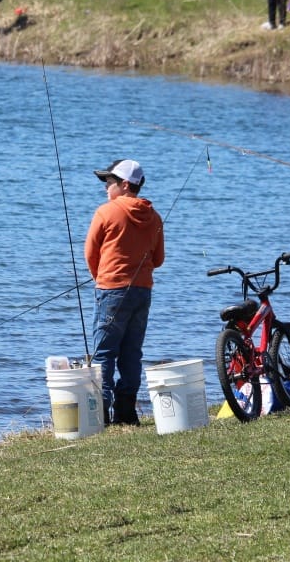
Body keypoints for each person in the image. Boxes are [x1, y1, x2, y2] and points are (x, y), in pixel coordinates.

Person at [85, 159, 165, 425]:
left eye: (109, 183)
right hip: (142, 291)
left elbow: (90, 253)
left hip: (111, 290)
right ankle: (127, 411)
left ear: (125, 185)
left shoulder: (105, 212)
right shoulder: (153, 216)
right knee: (132, 351)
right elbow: (158, 259)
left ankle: (101, 412)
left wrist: (102, 278)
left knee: (104, 352)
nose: (106, 188)